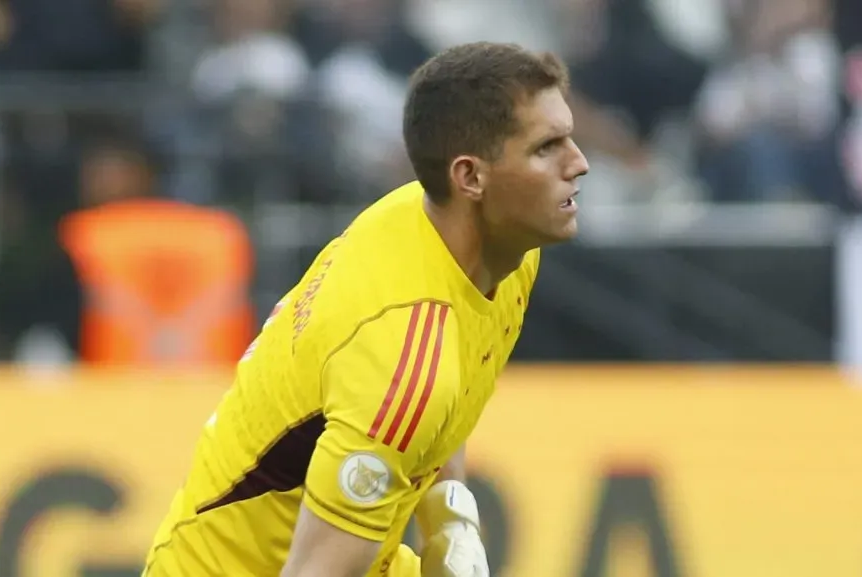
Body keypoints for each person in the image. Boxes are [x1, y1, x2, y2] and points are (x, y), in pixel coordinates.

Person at [142, 41, 589, 577]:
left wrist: (451, 523)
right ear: (470, 177)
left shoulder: (488, 246)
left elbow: (447, 384)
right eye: (547, 148)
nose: (579, 163)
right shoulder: (400, 353)